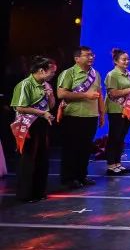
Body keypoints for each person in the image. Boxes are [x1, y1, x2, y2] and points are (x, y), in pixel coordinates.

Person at [10, 56, 57, 202]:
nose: (53, 74)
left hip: (42, 124)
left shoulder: (46, 84)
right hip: (28, 125)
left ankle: (39, 192)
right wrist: (42, 113)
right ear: (41, 70)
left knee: (42, 158)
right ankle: (25, 194)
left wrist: (50, 96)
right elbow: (20, 107)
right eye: (52, 71)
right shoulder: (25, 84)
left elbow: (51, 105)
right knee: (28, 159)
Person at [56, 46, 103, 189]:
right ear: (77, 58)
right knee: (71, 148)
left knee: (85, 148)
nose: (91, 57)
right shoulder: (68, 73)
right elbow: (61, 94)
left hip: (91, 115)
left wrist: (102, 113)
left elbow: (99, 94)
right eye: (87, 55)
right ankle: (69, 178)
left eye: (92, 55)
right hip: (73, 116)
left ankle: (82, 175)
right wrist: (85, 95)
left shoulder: (95, 74)